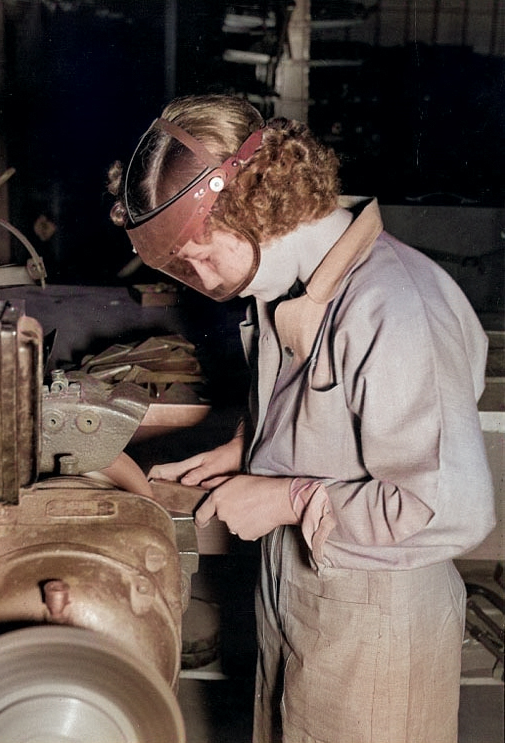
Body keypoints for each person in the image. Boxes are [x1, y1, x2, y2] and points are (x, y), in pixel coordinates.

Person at [108, 94, 495, 743]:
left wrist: (286, 495)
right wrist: (251, 447)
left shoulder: (392, 307)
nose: (200, 278)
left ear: (252, 208)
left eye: (202, 255)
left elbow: (452, 507)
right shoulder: (289, 290)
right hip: (303, 592)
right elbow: (328, 410)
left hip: (378, 620)